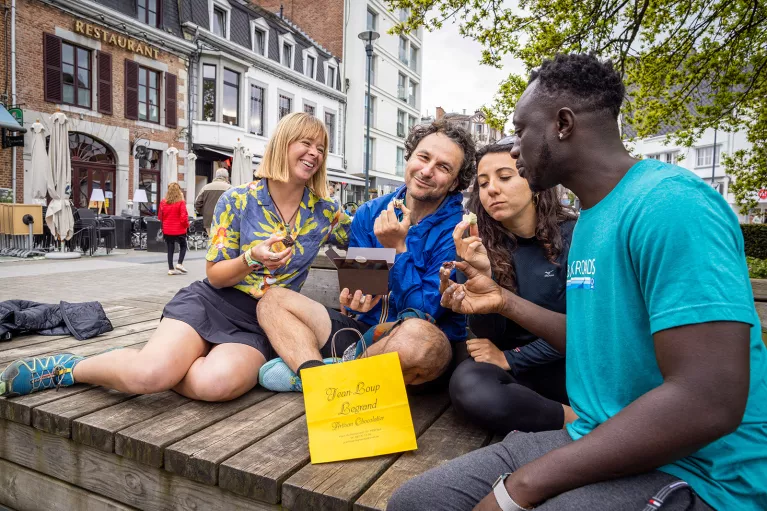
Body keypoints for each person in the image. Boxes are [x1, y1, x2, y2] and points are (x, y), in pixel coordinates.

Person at [388, 53, 767, 511]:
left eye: (522, 130)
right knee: (418, 501)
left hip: (704, 470)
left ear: (563, 124)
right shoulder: (592, 220)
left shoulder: (671, 205)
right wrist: (502, 301)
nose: (513, 148)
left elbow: (709, 400)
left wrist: (520, 488)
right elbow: (593, 339)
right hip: (597, 432)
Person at [0, 112, 350, 402]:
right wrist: (251, 259)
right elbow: (216, 275)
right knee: (149, 374)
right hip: (215, 300)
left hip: (264, 322)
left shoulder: (325, 212)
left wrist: (399, 224)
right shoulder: (239, 200)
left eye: (321, 147)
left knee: (215, 386)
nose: (314, 153)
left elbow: (366, 236)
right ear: (282, 145)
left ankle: (161, 361)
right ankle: (69, 368)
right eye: (305, 143)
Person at [256, 120, 477, 391]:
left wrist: (398, 248)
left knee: (417, 338)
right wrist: (355, 298)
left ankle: (327, 378)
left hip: (417, 349)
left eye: (443, 167)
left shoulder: (460, 230)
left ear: (455, 181)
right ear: (410, 156)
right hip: (363, 337)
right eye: (423, 157)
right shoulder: (371, 212)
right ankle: (320, 379)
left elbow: (422, 313)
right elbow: (363, 289)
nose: (427, 171)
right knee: (272, 300)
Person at [449, 142, 577, 435]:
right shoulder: (483, 245)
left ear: (533, 180)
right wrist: (481, 276)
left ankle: (576, 421)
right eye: (483, 183)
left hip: (568, 366)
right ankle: (572, 421)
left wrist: (511, 357)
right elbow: (488, 333)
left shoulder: (575, 237)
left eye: (505, 177)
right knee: (468, 386)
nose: (491, 189)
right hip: (514, 373)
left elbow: (584, 331)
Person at [159, 182, 190, 276]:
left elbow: (160, 216)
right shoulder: (181, 202)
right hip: (179, 229)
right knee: (183, 246)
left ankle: (171, 269)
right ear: (178, 191)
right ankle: (180, 264)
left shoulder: (163, 202)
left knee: (170, 249)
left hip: (168, 230)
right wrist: (186, 225)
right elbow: (184, 217)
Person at [195, 168, 231, 234]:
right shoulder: (230, 188)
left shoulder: (205, 187)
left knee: (211, 241)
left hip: (209, 220)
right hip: (224, 220)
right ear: (226, 177)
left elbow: (197, 203)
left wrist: (205, 212)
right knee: (223, 242)